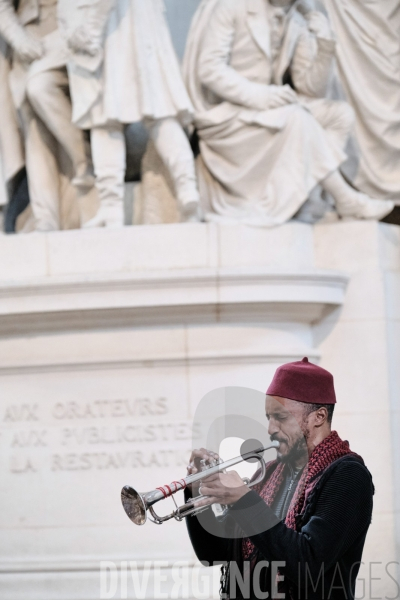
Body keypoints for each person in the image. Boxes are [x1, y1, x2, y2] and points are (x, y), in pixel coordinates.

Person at [183, 0, 394, 225]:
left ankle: (308, 203)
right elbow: (209, 68)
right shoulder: (233, 6)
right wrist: (259, 95)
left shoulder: (296, 19)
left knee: (339, 116)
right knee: (297, 118)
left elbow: (310, 88)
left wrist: (325, 46)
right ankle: (344, 197)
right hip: (228, 114)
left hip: (267, 111)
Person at [186, 357, 374, 599]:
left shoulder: (347, 475)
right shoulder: (268, 474)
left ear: (318, 416)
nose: (270, 429)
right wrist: (195, 488)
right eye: (268, 418)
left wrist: (244, 501)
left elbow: (308, 564)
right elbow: (211, 553)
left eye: (281, 417)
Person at [65, 0, 200, 228]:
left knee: (105, 118)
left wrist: (92, 26)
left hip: (114, 24)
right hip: (137, 19)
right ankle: (187, 188)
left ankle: (112, 207)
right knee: (159, 111)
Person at [0, 0, 93, 231]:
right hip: (31, 35)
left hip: (74, 33)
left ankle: (86, 163)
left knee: (40, 90)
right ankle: (46, 216)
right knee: (32, 123)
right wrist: (18, 38)